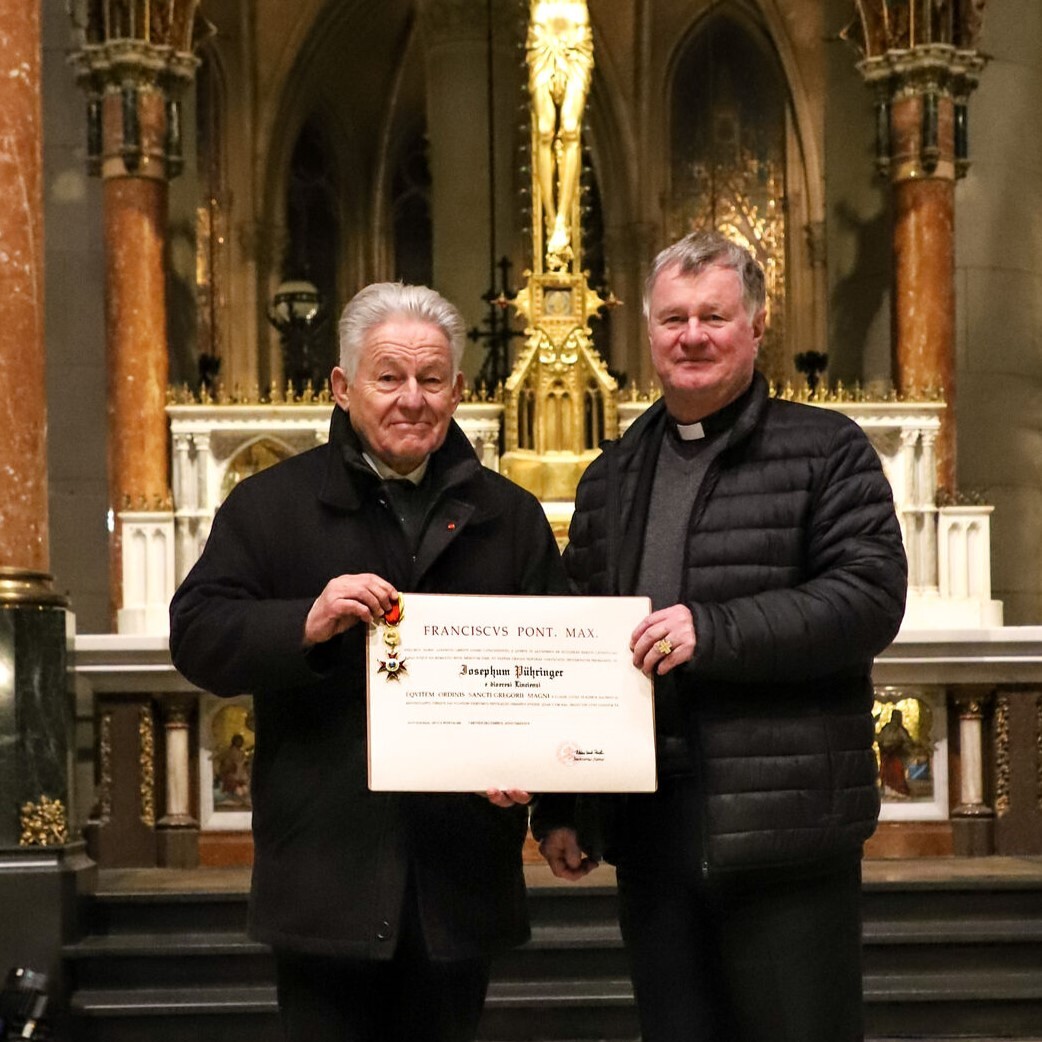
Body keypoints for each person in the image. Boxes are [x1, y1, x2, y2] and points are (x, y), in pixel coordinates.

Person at [533, 231, 908, 1042]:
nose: (692, 336)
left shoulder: (826, 450)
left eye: (714, 316)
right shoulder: (612, 476)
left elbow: (869, 597)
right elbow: (575, 637)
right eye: (673, 319)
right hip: (654, 830)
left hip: (784, 827)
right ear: (648, 331)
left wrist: (715, 629)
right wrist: (560, 804)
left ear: (757, 325)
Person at [170, 282, 566, 1042]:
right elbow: (196, 635)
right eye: (389, 376)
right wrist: (306, 622)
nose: (412, 398)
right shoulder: (269, 507)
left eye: (431, 379)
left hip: (459, 881)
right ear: (343, 386)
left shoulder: (510, 517)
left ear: (458, 391)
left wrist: (551, 792)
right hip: (326, 877)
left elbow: (558, 667)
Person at [526, 0, 594, 269]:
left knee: (570, 128)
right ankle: (552, 219)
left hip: (576, 50)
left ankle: (563, 220)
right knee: (544, 130)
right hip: (543, 48)